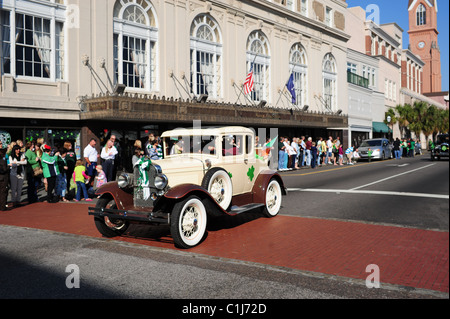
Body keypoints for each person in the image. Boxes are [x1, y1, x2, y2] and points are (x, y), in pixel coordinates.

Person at [0, 142, 9, 211]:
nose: (1, 145)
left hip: (3, 176)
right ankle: (2, 206)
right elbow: (4, 168)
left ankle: (2, 205)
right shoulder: (2, 159)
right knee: (3, 191)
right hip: (2, 176)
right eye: (0, 143)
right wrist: (7, 168)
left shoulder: (4, 157)